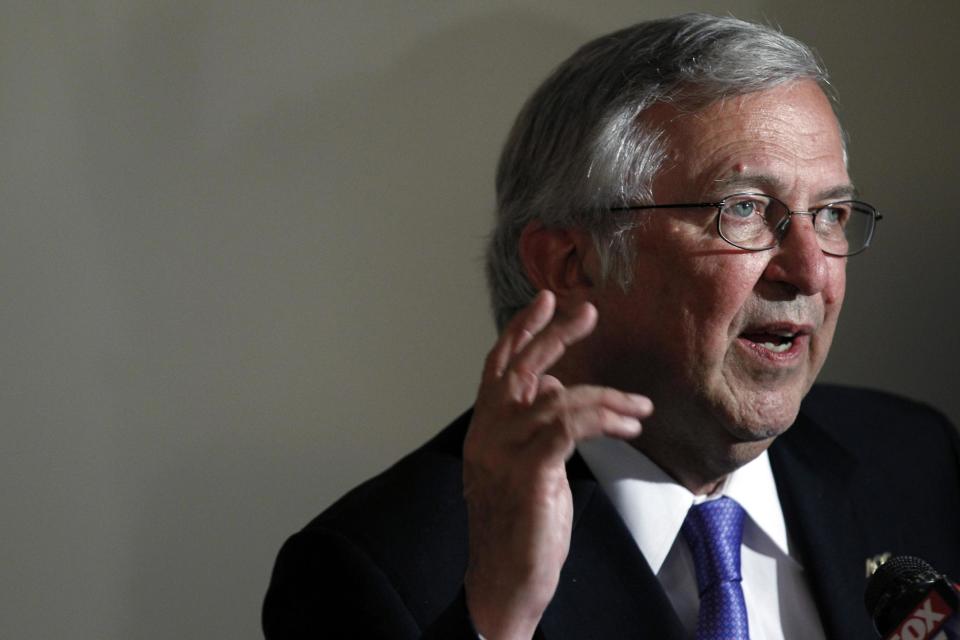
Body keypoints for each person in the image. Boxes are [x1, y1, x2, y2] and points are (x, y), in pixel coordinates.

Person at [263, 13, 960, 639]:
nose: (811, 272)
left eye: (831, 214)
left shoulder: (915, 460)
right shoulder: (382, 573)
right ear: (570, 264)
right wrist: (500, 622)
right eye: (744, 209)